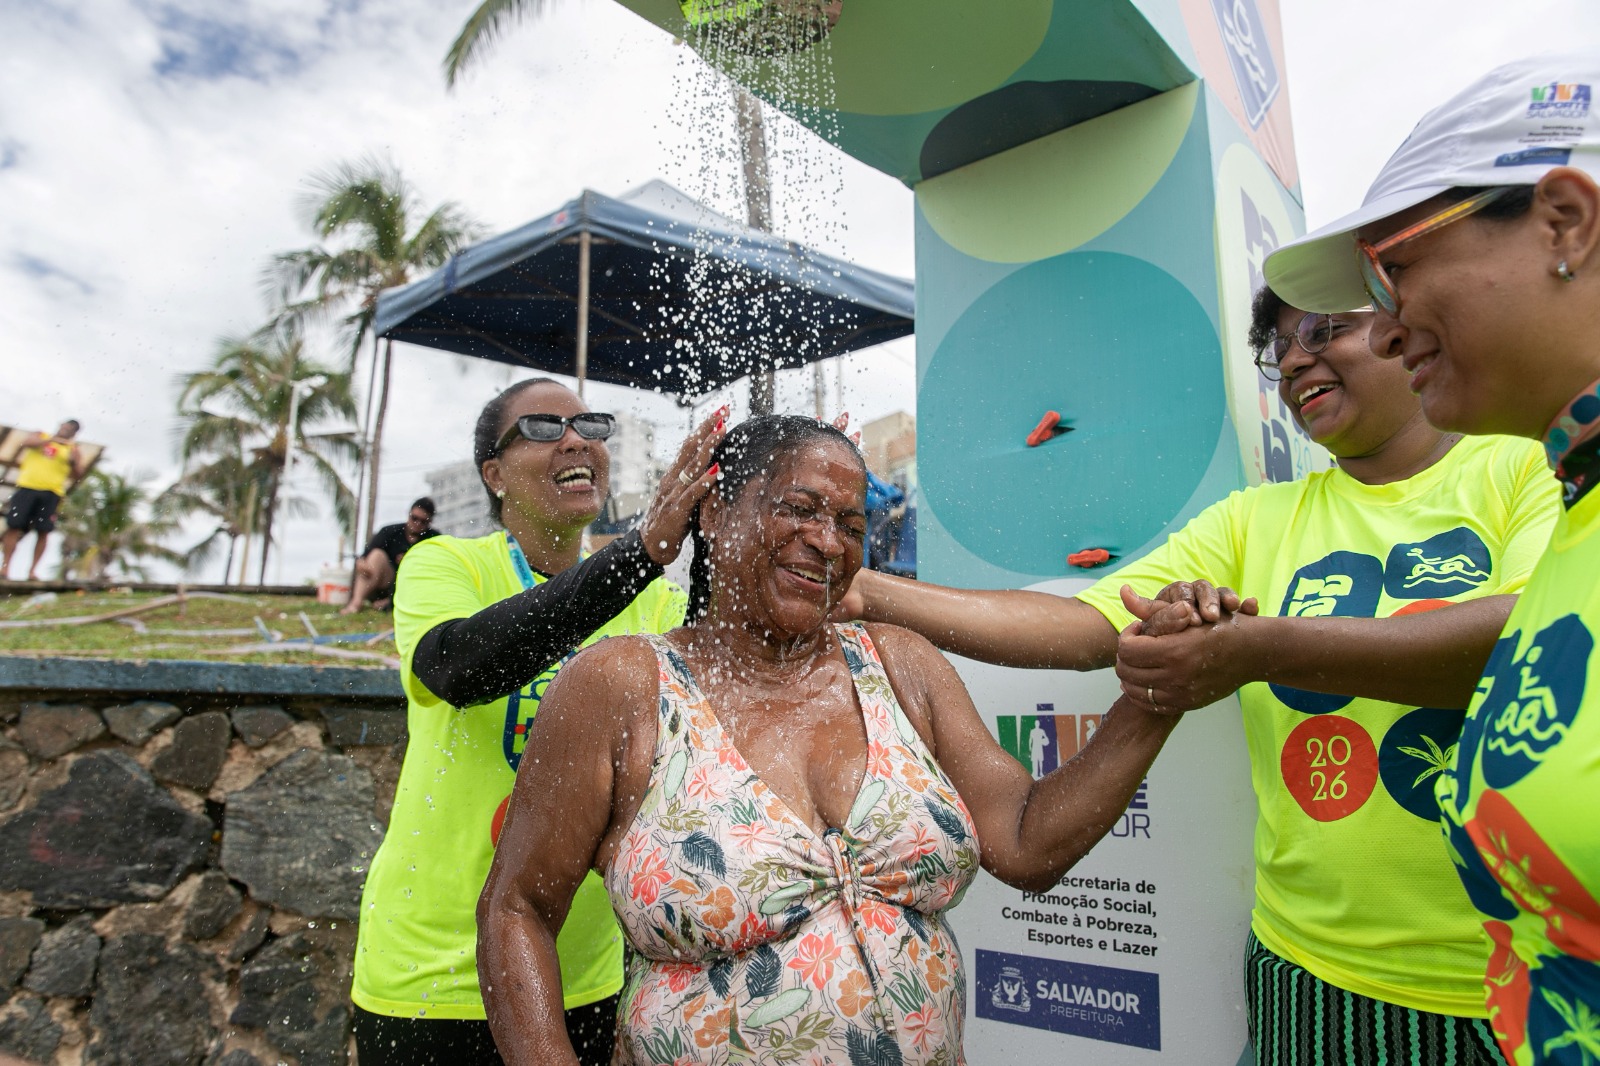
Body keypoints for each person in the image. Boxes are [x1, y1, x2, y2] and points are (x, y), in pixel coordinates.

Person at [843, 291, 1562, 1062]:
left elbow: (1530, 640)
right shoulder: (1256, 519)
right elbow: (1086, 627)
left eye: (1322, 330)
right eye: (1278, 347)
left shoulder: (1526, 465)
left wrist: (1257, 647)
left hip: (1516, 975)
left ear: (1403, 328)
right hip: (1307, 971)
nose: (1292, 361)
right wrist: (866, 592)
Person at [479, 414, 1195, 1065]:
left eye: (851, 525)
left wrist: (1152, 702)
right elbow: (517, 909)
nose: (826, 541)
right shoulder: (623, 686)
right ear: (719, 511)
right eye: (799, 509)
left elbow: (1026, 841)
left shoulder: (900, 665)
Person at [1263, 53, 1600, 1066]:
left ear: (1562, 222)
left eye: (1392, 270)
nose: (1386, 320)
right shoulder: (1573, 506)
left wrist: (1253, 646)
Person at [349, 377, 725, 1066]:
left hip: (580, 976)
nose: (577, 438)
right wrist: (639, 552)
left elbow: (719, 692)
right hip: (431, 978)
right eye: (544, 428)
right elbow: (457, 667)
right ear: (493, 474)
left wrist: (734, 513)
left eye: (589, 424)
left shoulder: (649, 605)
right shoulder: (444, 562)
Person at [2, 419, 87, 581]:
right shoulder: (41, 435)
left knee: (44, 531)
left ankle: (32, 571)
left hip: (52, 493)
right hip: (27, 488)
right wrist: (51, 440)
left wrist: (73, 459)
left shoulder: (73, 449)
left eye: (71, 430)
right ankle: (5, 568)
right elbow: (27, 443)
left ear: (75, 434)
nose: (67, 430)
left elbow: (78, 475)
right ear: (61, 425)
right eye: (66, 426)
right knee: (13, 526)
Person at [341, 496, 440, 614]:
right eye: (414, 518)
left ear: (430, 522)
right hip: (384, 583)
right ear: (409, 514)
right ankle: (356, 603)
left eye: (423, 521)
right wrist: (361, 564)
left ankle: (391, 602)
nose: (417, 524)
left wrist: (410, 561)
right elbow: (364, 557)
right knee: (377, 555)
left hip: (412, 587)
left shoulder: (434, 539)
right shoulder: (390, 532)